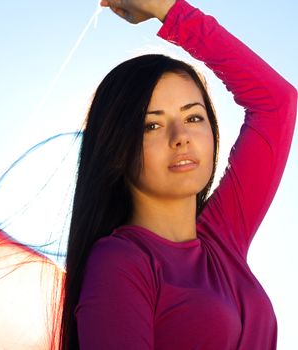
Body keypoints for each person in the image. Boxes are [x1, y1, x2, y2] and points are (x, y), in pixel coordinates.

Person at [59, 0, 297, 349]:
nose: (180, 136)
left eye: (193, 117)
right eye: (151, 125)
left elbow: (277, 103)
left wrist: (164, 8)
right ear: (116, 150)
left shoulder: (222, 237)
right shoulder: (120, 263)